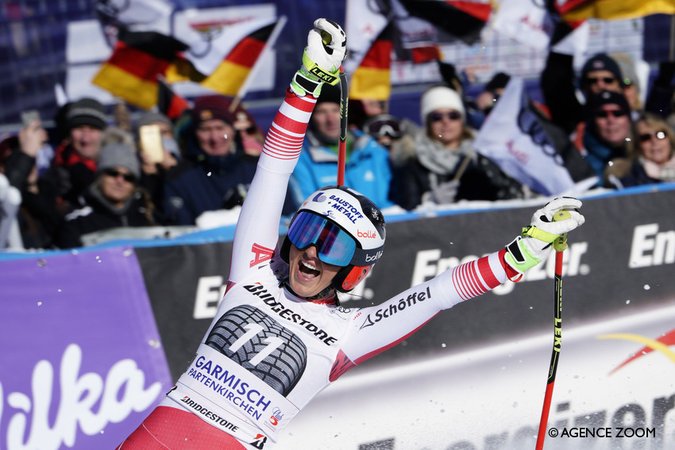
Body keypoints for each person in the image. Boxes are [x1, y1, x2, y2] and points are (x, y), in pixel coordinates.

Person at [118, 19, 585, 449]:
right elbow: (274, 169)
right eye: (306, 231)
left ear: (354, 271)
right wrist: (307, 83)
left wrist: (520, 253)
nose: (311, 252)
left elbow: (438, 293)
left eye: (334, 244)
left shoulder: (350, 332)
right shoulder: (253, 273)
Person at [389, 85, 526, 210]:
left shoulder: (482, 154)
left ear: (462, 120)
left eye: (453, 115)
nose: (446, 122)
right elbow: (405, 207)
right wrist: (429, 201)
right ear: (427, 122)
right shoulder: (413, 161)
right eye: (437, 117)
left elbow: (505, 196)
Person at [288, 83, 395, 210]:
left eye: (335, 110)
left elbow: (396, 200)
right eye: (321, 112)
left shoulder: (373, 149)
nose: (330, 119)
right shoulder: (301, 161)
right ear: (311, 118)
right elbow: (306, 209)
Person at [163, 95, 261, 225]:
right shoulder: (178, 179)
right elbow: (180, 234)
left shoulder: (258, 168)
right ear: (195, 133)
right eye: (205, 130)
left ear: (232, 131)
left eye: (220, 128)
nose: (214, 138)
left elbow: (285, 219)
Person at [55, 142, 157, 248]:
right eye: (113, 173)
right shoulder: (77, 222)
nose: (120, 181)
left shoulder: (146, 216)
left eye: (128, 177)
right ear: (100, 177)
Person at [43, 97, 109, 211]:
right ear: (69, 135)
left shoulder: (121, 170)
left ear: (103, 134)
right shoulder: (55, 176)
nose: (85, 138)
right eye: (79, 128)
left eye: (92, 129)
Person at [580, 90, 636, 181]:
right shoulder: (582, 164)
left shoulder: (646, 153)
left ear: (629, 119)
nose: (610, 120)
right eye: (602, 114)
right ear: (593, 122)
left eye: (617, 113)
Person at [606, 113, 675, 187]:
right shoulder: (627, 178)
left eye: (660, 135)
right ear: (637, 145)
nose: (654, 141)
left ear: (670, 138)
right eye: (645, 138)